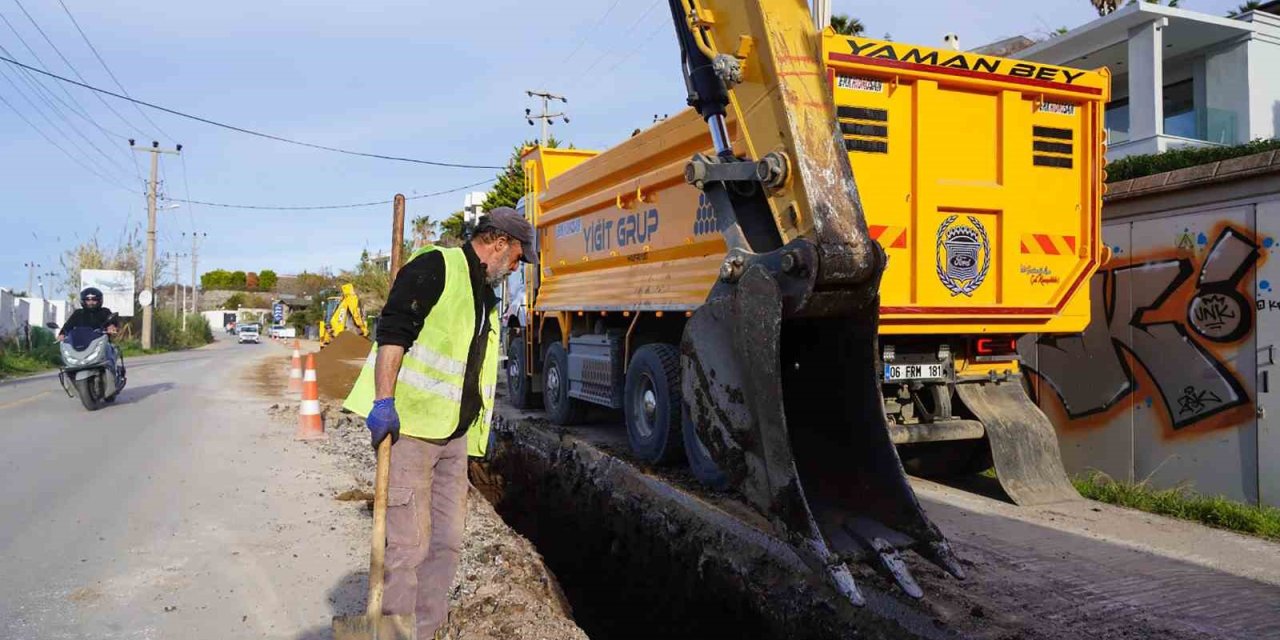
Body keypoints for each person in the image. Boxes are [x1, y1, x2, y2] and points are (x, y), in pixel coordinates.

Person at [342, 206, 534, 638]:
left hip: (454, 436)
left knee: (446, 543)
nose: (517, 267)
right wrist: (384, 401)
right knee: (408, 547)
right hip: (409, 431)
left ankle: (426, 630)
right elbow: (393, 333)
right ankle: (393, 633)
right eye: (519, 256)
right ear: (499, 243)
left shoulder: (484, 292)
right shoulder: (436, 266)